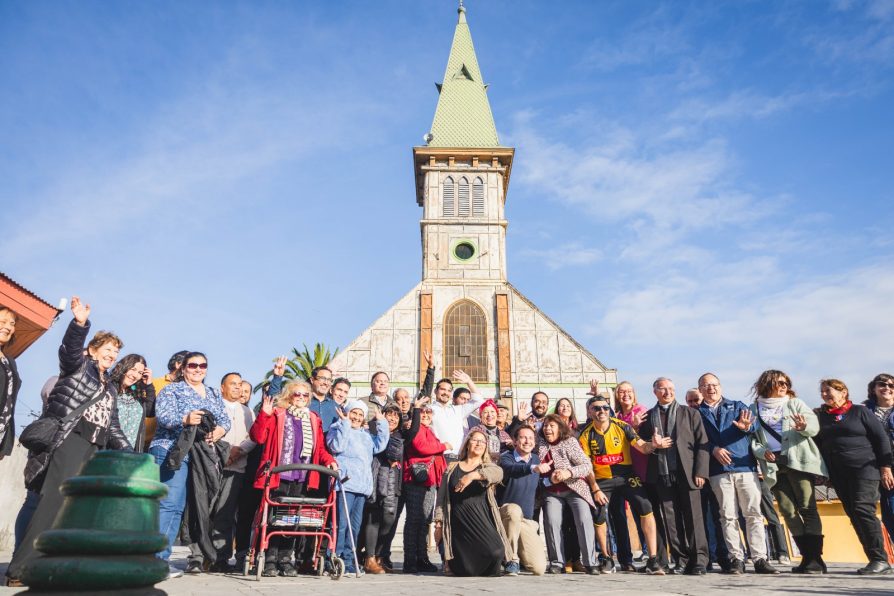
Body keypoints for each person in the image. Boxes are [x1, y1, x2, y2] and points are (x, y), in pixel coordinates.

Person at [8, 297, 133, 586]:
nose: (111, 355)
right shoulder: (78, 367)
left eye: (115, 352)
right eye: (107, 349)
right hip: (71, 441)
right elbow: (69, 350)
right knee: (53, 503)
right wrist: (79, 324)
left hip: (95, 448)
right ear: (93, 350)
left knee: (76, 511)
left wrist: (129, 452)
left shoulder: (110, 386)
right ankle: (20, 570)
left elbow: (112, 426)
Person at [150, 351, 230, 577]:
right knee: (169, 504)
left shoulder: (213, 392)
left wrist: (220, 430)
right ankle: (155, 559)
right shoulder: (172, 389)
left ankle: (161, 559)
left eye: (202, 366)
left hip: (200, 454)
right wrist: (184, 419)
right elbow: (163, 416)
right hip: (171, 450)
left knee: (180, 508)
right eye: (192, 365)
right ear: (182, 368)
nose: (198, 369)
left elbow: (224, 419)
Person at [250, 379, 337, 577]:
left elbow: (320, 448)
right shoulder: (278, 415)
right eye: (297, 394)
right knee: (276, 519)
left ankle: (285, 558)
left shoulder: (313, 418)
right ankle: (269, 559)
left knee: (293, 519)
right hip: (280, 475)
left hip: (303, 476)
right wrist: (264, 414)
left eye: (305, 395)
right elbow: (258, 437)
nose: (301, 398)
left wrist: (329, 460)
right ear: (289, 395)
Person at [696, 373, 778, 574]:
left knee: (753, 514)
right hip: (718, 472)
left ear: (720, 387)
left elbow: (755, 426)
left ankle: (760, 558)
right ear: (700, 390)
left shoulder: (737, 405)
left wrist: (747, 426)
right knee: (727, 516)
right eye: (706, 386)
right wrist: (713, 449)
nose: (711, 389)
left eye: (714, 385)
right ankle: (736, 559)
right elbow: (696, 440)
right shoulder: (696, 414)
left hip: (744, 468)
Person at [749, 370, 828, 574]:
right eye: (779, 382)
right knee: (787, 510)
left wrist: (803, 427)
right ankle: (807, 557)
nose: (784, 386)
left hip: (797, 461)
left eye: (786, 383)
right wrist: (762, 452)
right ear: (767, 384)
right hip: (773, 465)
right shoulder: (754, 408)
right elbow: (753, 439)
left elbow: (813, 427)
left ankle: (815, 558)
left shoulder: (795, 403)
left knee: (807, 507)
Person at [578, 395, 664, 575]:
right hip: (602, 480)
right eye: (596, 408)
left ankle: (653, 560)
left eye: (604, 407)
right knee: (599, 514)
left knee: (646, 507)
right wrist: (595, 489)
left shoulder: (622, 426)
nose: (601, 411)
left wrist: (653, 445)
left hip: (626, 476)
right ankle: (607, 558)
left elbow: (642, 447)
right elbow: (587, 467)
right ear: (589, 411)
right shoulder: (585, 435)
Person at [816, 378, 893, 575]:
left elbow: (881, 439)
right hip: (838, 474)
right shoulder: (820, 415)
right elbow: (816, 443)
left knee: (862, 508)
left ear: (843, 392)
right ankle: (873, 559)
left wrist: (886, 467)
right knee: (854, 513)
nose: (825, 394)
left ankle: (880, 559)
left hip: (865, 470)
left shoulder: (860, 412)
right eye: (822, 391)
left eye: (829, 390)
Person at [637, 377, 710, 575]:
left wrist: (701, 471)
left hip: (687, 473)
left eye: (671, 388)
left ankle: (700, 560)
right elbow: (642, 444)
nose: (668, 392)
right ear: (655, 392)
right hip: (662, 475)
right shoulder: (648, 417)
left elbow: (702, 444)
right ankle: (681, 559)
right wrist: (650, 441)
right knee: (672, 520)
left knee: (694, 518)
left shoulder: (690, 413)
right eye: (663, 389)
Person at [190, 372, 256, 573]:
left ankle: (221, 557)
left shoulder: (248, 412)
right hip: (211, 466)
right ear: (222, 387)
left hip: (236, 468)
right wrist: (225, 450)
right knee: (203, 512)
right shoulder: (213, 408)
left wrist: (238, 451)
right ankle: (197, 556)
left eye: (239, 384)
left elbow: (253, 436)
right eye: (232, 384)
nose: (237, 387)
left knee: (225, 515)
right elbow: (205, 434)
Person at [327, 400, 389, 575]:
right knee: (341, 524)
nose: (356, 417)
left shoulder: (366, 435)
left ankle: (349, 559)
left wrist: (381, 422)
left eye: (360, 415)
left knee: (355, 526)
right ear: (347, 412)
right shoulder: (337, 428)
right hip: (344, 485)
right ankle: (334, 558)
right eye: (354, 413)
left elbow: (380, 445)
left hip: (361, 486)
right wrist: (345, 424)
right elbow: (336, 446)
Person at [434, 430, 509, 576]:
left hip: (481, 519)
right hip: (457, 523)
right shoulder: (451, 467)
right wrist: (438, 522)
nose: (479, 443)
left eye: (482, 441)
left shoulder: (487, 467)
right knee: (464, 569)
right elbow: (441, 497)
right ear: (468, 444)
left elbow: (498, 474)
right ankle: (451, 561)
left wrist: (473, 475)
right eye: (475, 440)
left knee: (496, 552)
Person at [537, 413, 599, 574]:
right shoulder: (539, 443)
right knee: (551, 521)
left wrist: (568, 472)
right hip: (551, 491)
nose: (547, 429)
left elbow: (586, 465)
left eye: (551, 426)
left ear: (560, 428)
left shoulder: (569, 442)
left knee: (584, 519)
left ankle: (590, 562)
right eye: (545, 426)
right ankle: (557, 562)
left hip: (574, 489)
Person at [402, 399, 449, 573]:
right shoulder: (415, 429)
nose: (426, 416)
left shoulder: (429, 430)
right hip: (415, 479)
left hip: (430, 480)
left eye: (429, 413)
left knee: (424, 521)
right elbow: (421, 447)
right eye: (423, 413)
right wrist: (443, 446)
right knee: (414, 520)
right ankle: (410, 560)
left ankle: (422, 558)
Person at [497, 425, 548, 576]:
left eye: (531, 438)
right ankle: (511, 560)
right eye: (523, 437)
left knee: (539, 568)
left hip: (525, 520)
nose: (527, 441)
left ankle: (517, 556)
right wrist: (533, 468)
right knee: (514, 510)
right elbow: (512, 469)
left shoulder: (536, 459)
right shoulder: (506, 457)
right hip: (505, 514)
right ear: (515, 441)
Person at [611, 381, 650, 571]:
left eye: (628, 391)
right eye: (621, 391)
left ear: (634, 394)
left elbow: (647, 438)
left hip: (641, 467)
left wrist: (636, 427)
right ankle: (641, 551)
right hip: (625, 470)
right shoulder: (617, 416)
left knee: (645, 510)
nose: (625, 394)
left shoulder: (641, 410)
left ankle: (651, 551)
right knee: (634, 512)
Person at [363, 404, 404, 574]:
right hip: (375, 479)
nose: (392, 419)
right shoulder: (372, 432)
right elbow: (386, 453)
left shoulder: (401, 435)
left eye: (396, 416)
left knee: (388, 519)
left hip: (394, 482)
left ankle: (379, 555)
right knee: (373, 518)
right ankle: (370, 559)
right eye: (389, 415)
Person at [864, 373, 894, 542]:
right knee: (888, 513)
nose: (887, 388)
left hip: (889, 463)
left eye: (891, 386)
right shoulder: (864, 411)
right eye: (882, 384)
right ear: (873, 388)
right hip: (874, 466)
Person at [430, 370, 482, 462]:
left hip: (459, 458)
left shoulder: (458, 410)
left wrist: (469, 381)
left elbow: (479, 401)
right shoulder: (428, 409)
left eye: (449, 390)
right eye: (442, 389)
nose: (446, 393)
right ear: (435, 391)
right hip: (438, 458)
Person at [109, 354, 155, 452]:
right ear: (124, 367)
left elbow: (150, 412)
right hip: (106, 451)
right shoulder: (108, 387)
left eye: (140, 373)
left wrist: (149, 385)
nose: (135, 375)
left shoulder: (136, 393)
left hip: (130, 454)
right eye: (133, 369)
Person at [0, 305, 22, 460]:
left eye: (12, 324)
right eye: (3, 321)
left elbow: (9, 402)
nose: (8, 327)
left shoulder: (10, 362)